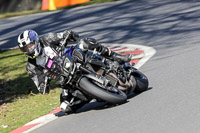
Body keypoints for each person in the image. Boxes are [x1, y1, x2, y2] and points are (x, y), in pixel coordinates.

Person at [17, 29, 133, 113]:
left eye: (30, 46)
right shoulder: (31, 67)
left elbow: (67, 35)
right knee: (65, 107)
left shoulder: (47, 39)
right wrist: (44, 85)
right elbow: (41, 86)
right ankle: (94, 94)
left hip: (72, 58)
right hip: (64, 80)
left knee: (84, 42)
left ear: (36, 41)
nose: (29, 50)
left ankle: (116, 57)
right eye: (25, 49)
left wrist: (69, 34)